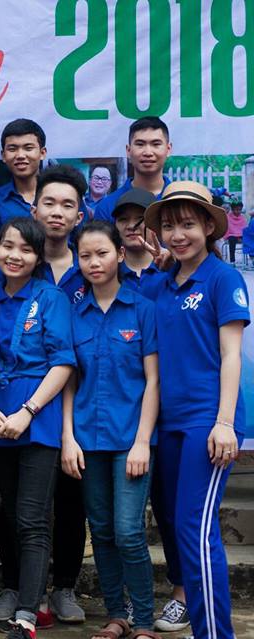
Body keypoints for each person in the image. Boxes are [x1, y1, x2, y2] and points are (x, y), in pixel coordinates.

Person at [144, 181, 248, 639]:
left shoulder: (223, 278)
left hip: (208, 422)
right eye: (169, 226)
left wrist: (224, 422)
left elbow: (231, 355)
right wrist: (160, 267)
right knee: (178, 527)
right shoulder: (162, 284)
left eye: (187, 224)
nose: (177, 234)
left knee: (195, 528)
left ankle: (216, 634)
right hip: (168, 424)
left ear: (209, 226)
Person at [61, 220, 159, 639]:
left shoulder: (143, 309)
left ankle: (144, 620)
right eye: (85, 256)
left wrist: (142, 442)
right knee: (100, 531)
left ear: (119, 254)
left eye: (102, 253)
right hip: (88, 438)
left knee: (129, 532)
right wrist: (68, 437)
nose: (94, 262)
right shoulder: (74, 314)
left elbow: (153, 381)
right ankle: (116, 615)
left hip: (130, 440)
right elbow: (69, 381)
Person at [0, 217, 75, 639]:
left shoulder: (50, 298)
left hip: (38, 420)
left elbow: (63, 363)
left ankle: (27, 616)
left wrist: (28, 411)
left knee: (33, 517)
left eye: (25, 249)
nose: (14, 255)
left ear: (38, 257)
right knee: (7, 510)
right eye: (8, 246)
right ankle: (16, 590)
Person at [31, 165, 89, 625]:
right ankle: (19, 587)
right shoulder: (15, 262)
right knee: (20, 504)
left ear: (79, 215)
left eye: (67, 205)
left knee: (72, 500)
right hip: (22, 403)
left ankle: (65, 586)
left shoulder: (91, 267)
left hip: (81, 403)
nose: (57, 212)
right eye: (49, 202)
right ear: (34, 209)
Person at [93, 117, 172, 222]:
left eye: (156, 144)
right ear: (128, 150)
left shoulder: (181, 200)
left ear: (168, 149)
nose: (148, 152)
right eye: (140, 144)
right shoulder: (107, 207)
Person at [111, 188, 167, 294]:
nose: (131, 226)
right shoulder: (108, 270)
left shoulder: (173, 267)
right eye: (123, 219)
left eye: (140, 219)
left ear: (157, 223)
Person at [0, 119, 47, 227]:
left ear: (42, 153)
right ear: (3, 156)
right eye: (12, 149)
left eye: (28, 148)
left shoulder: (63, 193)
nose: (20, 156)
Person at [225, 200, 246, 265]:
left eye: (240, 210)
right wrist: (236, 236)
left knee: (249, 239)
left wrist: (240, 236)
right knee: (232, 239)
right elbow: (228, 228)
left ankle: (251, 258)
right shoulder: (228, 217)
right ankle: (232, 261)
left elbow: (244, 229)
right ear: (232, 209)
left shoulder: (242, 218)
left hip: (241, 235)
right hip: (231, 235)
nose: (238, 211)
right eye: (236, 209)